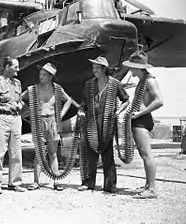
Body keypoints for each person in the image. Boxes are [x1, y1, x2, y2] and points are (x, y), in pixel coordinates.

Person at [78, 56, 130, 192]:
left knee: (108, 154)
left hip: (108, 122)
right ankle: (88, 183)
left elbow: (126, 100)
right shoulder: (89, 84)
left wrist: (118, 112)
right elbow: (83, 103)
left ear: (104, 69)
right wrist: (81, 112)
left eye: (97, 68)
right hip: (92, 121)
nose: (94, 70)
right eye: (93, 68)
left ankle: (110, 185)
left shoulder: (115, 84)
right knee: (90, 153)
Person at [21, 62, 73, 191]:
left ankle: (56, 181)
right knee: (39, 153)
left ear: (51, 76)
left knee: (53, 153)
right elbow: (19, 98)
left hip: (52, 122)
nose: (41, 76)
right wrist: (26, 110)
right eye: (41, 73)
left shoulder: (57, 89)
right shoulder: (33, 89)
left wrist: (60, 114)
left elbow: (68, 100)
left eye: (45, 74)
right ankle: (36, 181)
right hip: (38, 121)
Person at [122, 51, 164, 199]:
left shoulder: (150, 80)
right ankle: (148, 185)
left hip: (141, 119)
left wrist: (140, 113)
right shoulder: (142, 80)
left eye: (132, 67)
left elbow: (159, 101)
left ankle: (152, 189)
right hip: (138, 118)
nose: (130, 70)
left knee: (147, 155)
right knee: (143, 154)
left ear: (138, 67)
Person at [0, 56, 25, 194]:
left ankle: (15, 182)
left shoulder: (17, 83)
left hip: (16, 119)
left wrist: (20, 105)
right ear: (7, 67)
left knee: (16, 152)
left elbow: (19, 99)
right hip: (2, 118)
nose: (18, 69)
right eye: (15, 67)